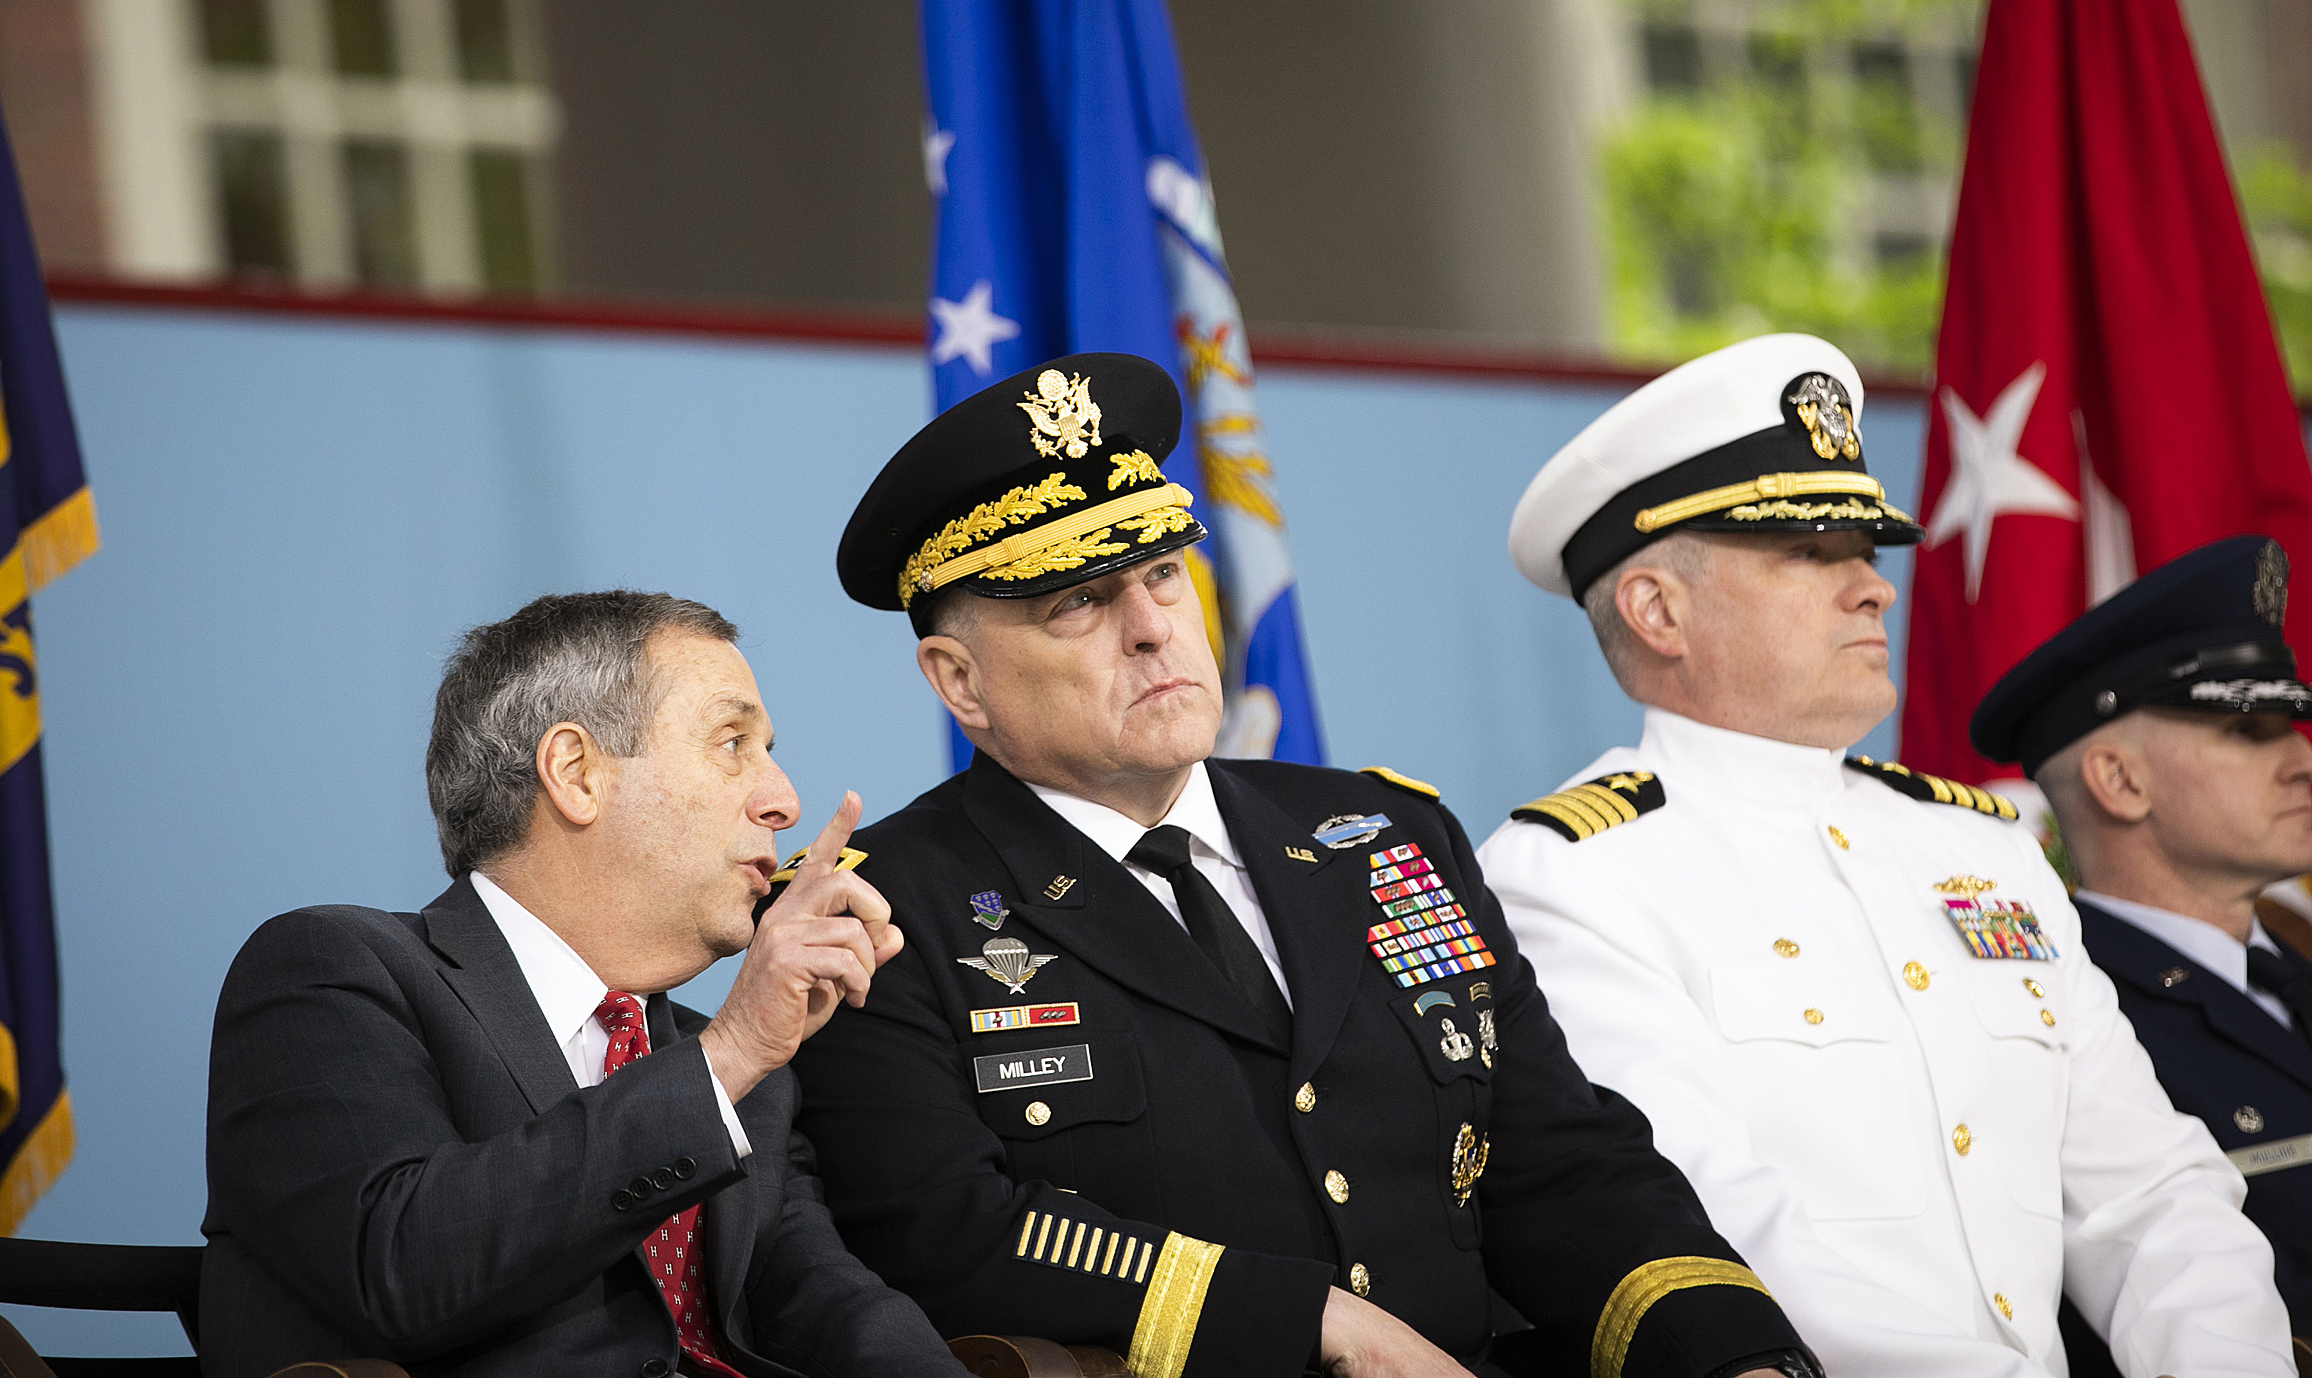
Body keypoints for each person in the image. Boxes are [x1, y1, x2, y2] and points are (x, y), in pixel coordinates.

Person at [786, 353, 1817, 1378]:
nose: (1153, 627)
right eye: (1078, 602)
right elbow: (945, 1230)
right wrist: (1314, 1320)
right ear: (958, 680)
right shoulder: (887, 905)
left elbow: (1559, 1159)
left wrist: (1735, 1354)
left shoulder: (1385, 833)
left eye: (1160, 573)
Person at [1476, 332, 2292, 1378]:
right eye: (1808, 551)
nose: (1875, 588)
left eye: (1865, 550)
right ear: (1656, 608)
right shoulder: (1569, 875)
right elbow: (1716, 1226)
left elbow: (2152, 1191)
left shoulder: (1983, 847)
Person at [200, 591, 971, 1378]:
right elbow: (404, 1267)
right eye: (732, 742)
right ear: (575, 772)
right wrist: (727, 1058)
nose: (783, 799)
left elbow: (824, 1301)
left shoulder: (731, 1062)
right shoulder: (332, 968)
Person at [1972, 533, 2312, 1346]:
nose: (2300, 760)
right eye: (2247, 730)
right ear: (2120, 781)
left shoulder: (2295, 976)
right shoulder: (2059, 1019)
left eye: (2292, 725)